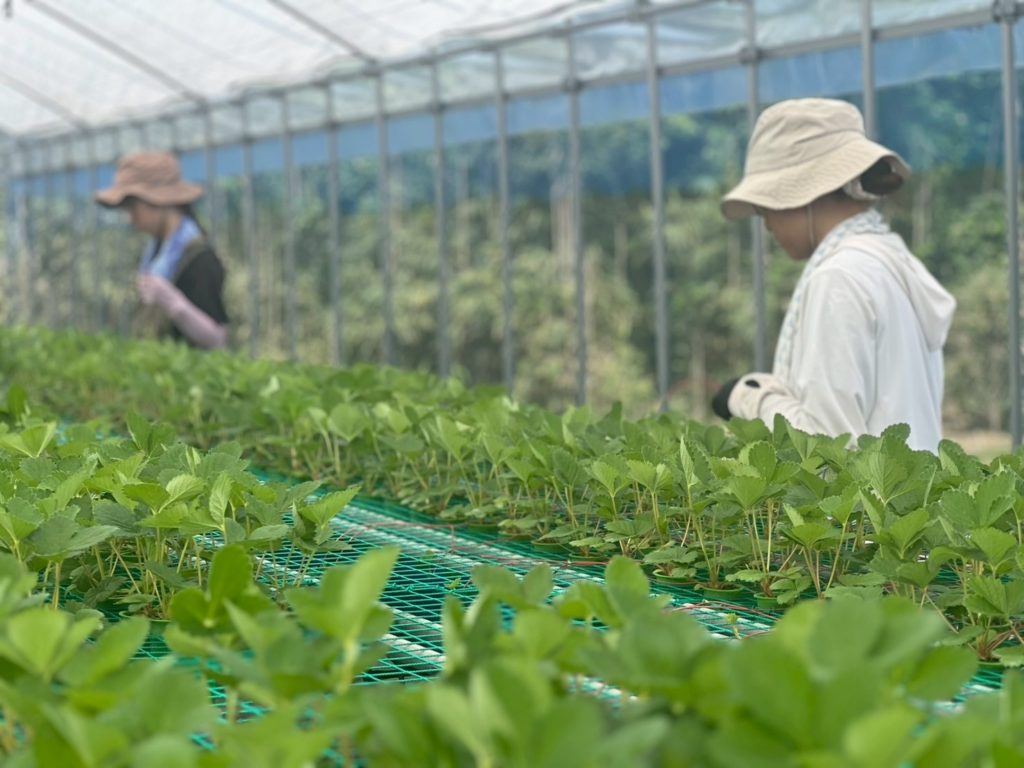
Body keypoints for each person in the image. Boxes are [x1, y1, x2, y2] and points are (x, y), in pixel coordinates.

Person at [710, 98, 956, 453]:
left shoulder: (840, 278)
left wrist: (750, 399)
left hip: (860, 509)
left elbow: (829, 448)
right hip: (909, 501)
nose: (766, 224)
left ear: (806, 191)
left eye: (766, 208)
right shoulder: (889, 260)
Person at [95, 151, 228, 349]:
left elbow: (217, 338)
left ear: (160, 201)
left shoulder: (200, 258)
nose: (130, 218)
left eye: (133, 208)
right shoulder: (157, 252)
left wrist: (172, 302)